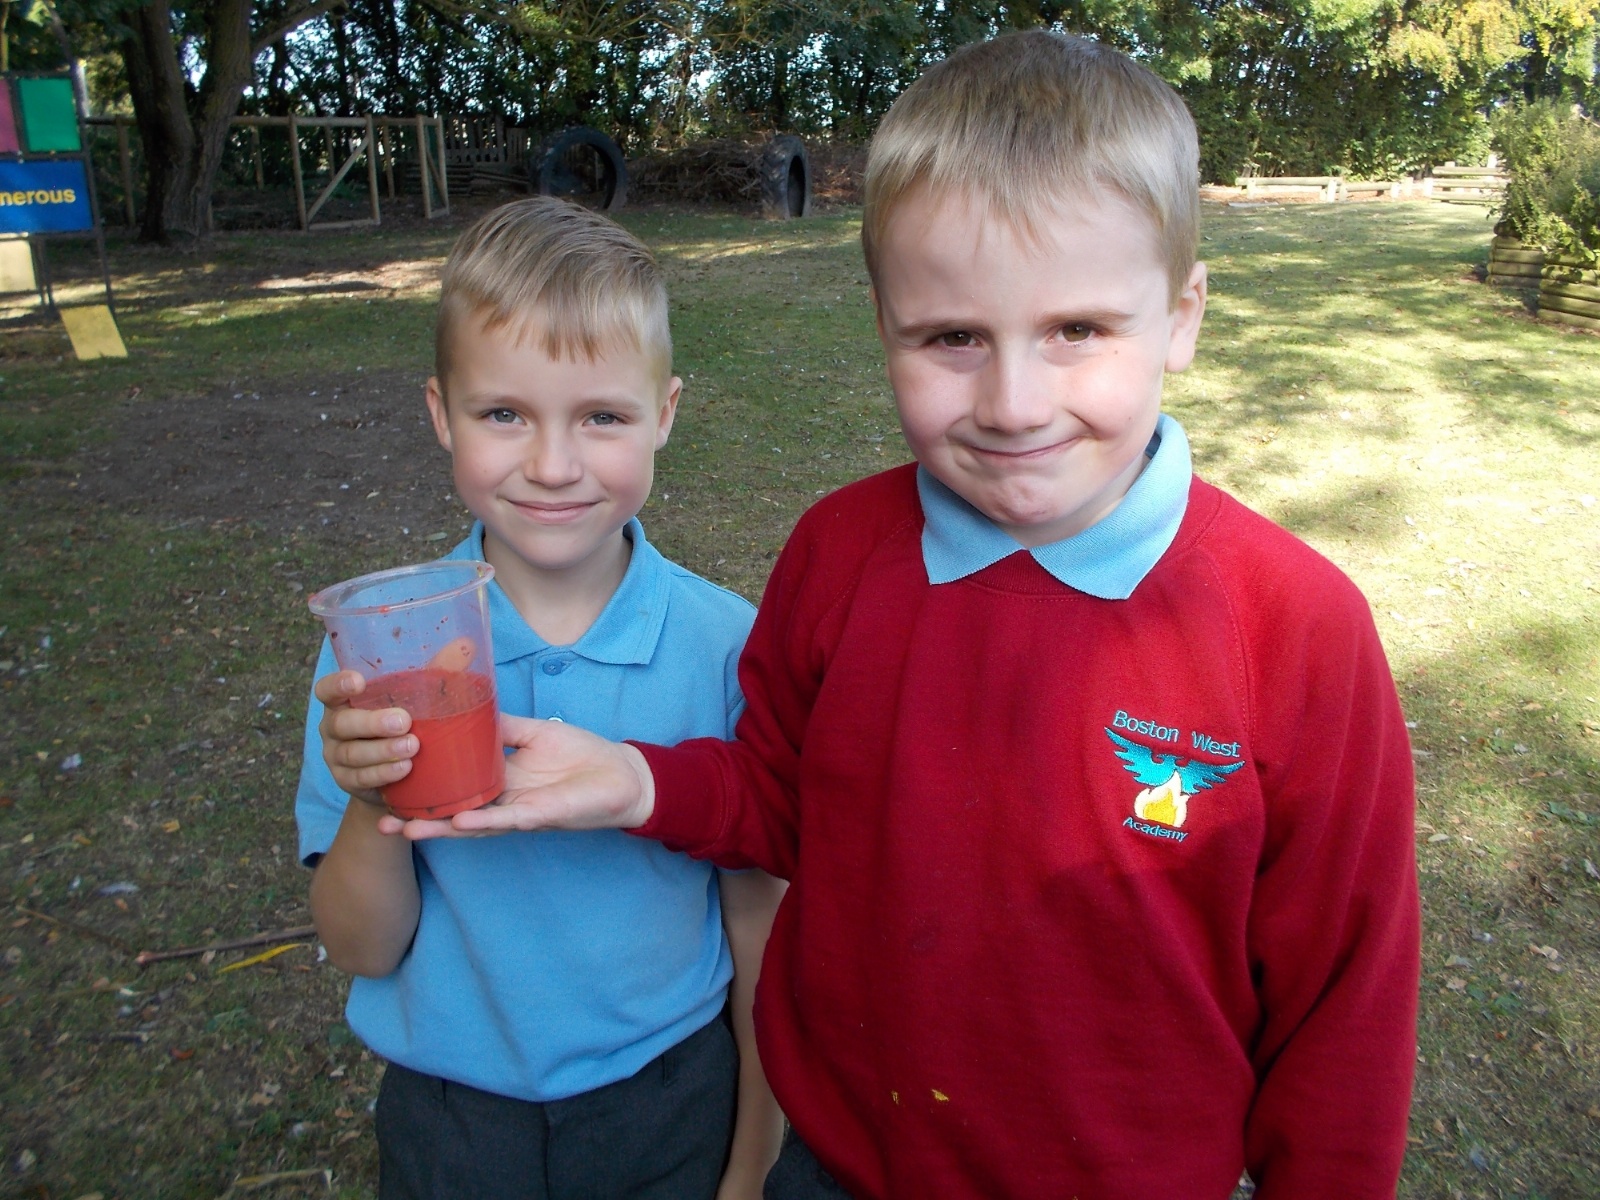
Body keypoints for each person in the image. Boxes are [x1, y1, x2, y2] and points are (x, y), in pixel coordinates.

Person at [326, 32, 1421, 1200]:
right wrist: (639, 783)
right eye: (952, 337)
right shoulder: (840, 556)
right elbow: (788, 805)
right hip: (840, 1166)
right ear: (885, 319)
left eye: (1078, 331)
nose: (1012, 403)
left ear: (1183, 314)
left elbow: (1344, 1000)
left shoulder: (1294, 628)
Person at [296, 196, 787, 1200]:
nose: (553, 466)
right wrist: (372, 794)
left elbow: (758, 921)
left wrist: (751, 1158)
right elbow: (360, 945)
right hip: (451, 1120)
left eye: (602, 416)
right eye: (503, 414)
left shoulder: (726, 647)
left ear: (665, 413)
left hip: (672, 1100)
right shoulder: (380, 660)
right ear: (442, 413)